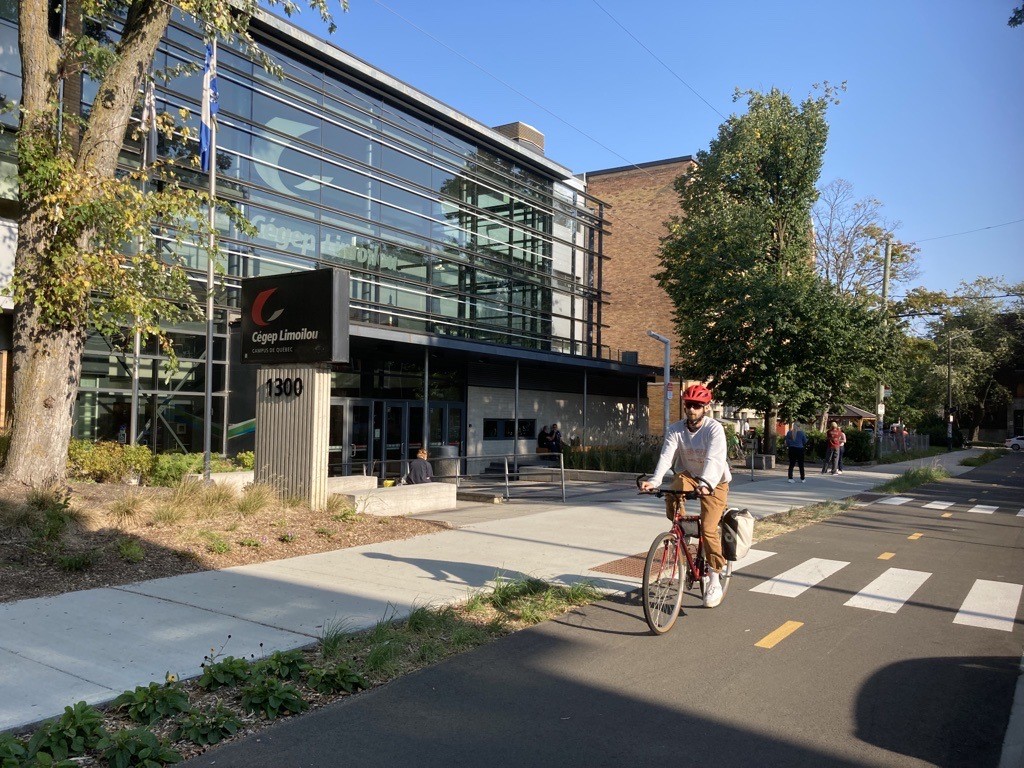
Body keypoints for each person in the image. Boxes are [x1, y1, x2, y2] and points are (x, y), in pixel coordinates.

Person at [640, 384, 731, 609]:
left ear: (706, 408)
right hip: (690, 475)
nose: (692, 410)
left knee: (708, 530)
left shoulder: (714, 429)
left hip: (715, 481)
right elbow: (667, 455)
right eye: (689, 405)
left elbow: (715, 459)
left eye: (697, 406)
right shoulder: (675, 429)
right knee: (676, 484)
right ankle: (679, 529)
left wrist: (707, 484)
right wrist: (655, 480)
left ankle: (714, 578)